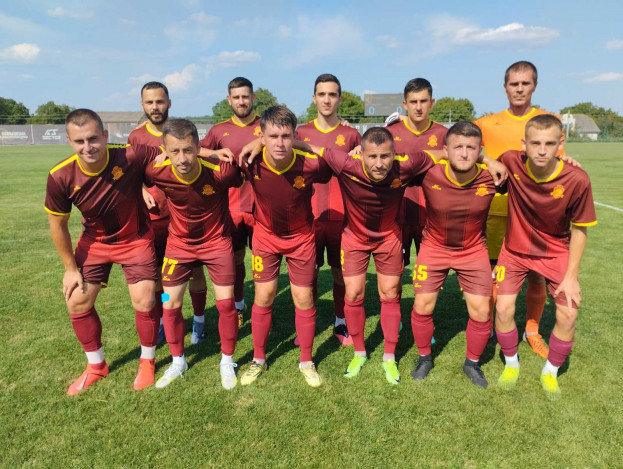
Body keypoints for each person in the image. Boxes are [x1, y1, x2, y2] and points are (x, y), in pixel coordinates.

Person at [45, 109, 162, 395]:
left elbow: (175, 148)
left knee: (145, 299)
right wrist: (70, 269)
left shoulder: (131, 155)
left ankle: (147, 361)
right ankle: (96, 365)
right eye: (79, 141)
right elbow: (58, 226)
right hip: (95, 243)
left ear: (105, 136)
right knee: (77, 300)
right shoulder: (60, 175)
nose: (88, 147)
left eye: (93, 138)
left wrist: (210, 152)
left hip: (135, 239)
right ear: (69, 141)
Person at [494, 114, 596, 400]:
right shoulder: (511, 160)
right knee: (503, 309)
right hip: (514, 251)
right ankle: (511, 363)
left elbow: (580, 230)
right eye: (535, 143)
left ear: (560, 144)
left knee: (569, 313)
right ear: (524, 143)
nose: (541, 150)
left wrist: (571, 276)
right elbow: (478, 160)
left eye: (549, 144)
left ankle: (550, 371)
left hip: (555, 252)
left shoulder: (577, 179)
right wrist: (488, 160)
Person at [237, 106, 333, 388]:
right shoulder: (249, 161)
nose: (279, 143)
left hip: (301, 239)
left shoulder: (311, 165)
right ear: (261, 136)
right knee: (264, 295)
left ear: (295, 136)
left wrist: (302, 145)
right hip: (265, 237)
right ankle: (258, 359)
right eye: (273, 136)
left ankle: (306, 360)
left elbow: (335, 162)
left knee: (303, 298)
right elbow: (211, 158)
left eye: (286, 136)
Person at [474, 61, 565, 357]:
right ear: (505, 87)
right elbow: (464, 149)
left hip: (535, 219)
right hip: (495, 212)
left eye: (525, 83)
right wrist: (488, 159)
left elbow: (557, 163)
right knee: (492, 275)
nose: (519, 89)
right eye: (514, 83)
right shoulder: (486, 124)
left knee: (537, 276)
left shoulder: (547, 121)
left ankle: (531, 330)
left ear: (534, 86)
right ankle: (490, 326)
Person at [144, 119, 243, 390]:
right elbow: (137, 177)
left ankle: (227, 361)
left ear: (198, 148)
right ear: (165, 151)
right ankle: (178, 361)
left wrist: (213, 154)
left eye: (188, 150)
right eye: (174, 151)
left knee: (226, 304)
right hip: (179, 246)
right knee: (168, 302)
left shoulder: (220, 172)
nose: (182, 158)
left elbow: (243, 171)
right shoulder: (156, 171)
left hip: (217, 243)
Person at [409, 122, 500, 388]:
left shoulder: (493, 178)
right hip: (433, 248)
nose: (464, 153)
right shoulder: (429, 173)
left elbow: (531, 173)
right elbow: (400, 160)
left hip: (473, 251)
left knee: (482, 311)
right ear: (445, 150)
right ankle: (424, 358)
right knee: (422, 305)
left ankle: (472, 363)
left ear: (480, 150)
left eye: (471, 148)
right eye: (457, 147)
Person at [128, 81, 208, 345]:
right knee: (160, 276)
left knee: (195, 273)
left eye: (160, 101)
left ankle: (199, 319)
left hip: (184, 217)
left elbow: (196, 155)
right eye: (150, 102)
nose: (155, 107)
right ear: (142, 105)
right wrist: (141, 190)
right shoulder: (136, 137)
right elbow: (131, 174)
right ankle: (165, 318)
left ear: (169, 103)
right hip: (154, 219)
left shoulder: (180, 131)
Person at [295, 74, 361, 346]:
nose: (326, 100)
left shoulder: (351, 135)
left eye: (332, 94)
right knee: (308, 274)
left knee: (339, 273)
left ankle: (340, 321)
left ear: (339, 99)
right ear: (314, 98)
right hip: (308, 216)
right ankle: (306, 325)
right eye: (321, 94)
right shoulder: (300, 133)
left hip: (343, 216)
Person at [200, 77, 260, 333]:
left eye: (245, 96)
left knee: (262, 261)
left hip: (261, 208)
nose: (241, 101)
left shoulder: (266, 126)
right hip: (231, 208)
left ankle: (262, 308)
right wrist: (213, 153)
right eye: (236, 97)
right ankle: (239, 305)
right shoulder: (218, 130)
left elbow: (290, 139)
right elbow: (193, 150)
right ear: (229, 100)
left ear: (253, 98)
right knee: (235, 260)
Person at [386, 78, 447, 265]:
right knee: (394, 271)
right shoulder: (391, 134)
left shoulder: (443, 134)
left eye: (423, 101)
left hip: (432, 217)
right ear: (405, 104)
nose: (418, 107)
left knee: (430, 272)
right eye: (413, 102)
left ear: (432, 102)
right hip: (397, 215)